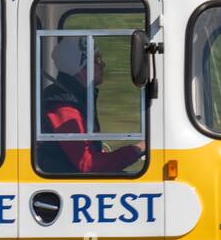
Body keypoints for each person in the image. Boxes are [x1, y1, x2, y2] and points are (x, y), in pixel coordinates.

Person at [38, 36, 144, 174]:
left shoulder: (78, 96)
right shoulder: (64, 108)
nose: (103, 64)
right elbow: (88, 165)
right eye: (97, 60)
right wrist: (138, 149)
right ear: (82, 68)